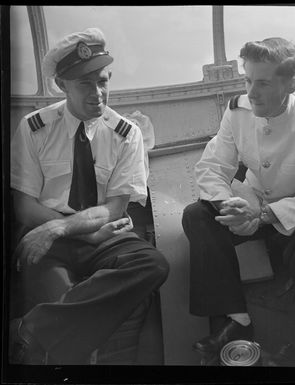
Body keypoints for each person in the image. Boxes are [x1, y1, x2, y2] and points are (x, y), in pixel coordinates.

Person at [182, 37, 295, 366]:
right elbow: (213, 168)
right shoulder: (237, 112)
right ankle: (237, 319)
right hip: (251, 207)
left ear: (292, 84)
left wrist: (265, 214)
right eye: (247, 80)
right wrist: (226, 205)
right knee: (196, 215)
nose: (251, 92)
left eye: (263, 83)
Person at [8, 27, 169, 365]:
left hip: (98, 236)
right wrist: (64, 230)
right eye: (85, 84)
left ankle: (30, 329)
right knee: (64, 308)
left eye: (103, 81)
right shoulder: (34, 127)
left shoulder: (126, 134)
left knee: (152, 263)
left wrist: (64, 228)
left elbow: (114, 208)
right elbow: (24, 208)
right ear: (62, 85)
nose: (98, 93)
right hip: (48, 239)